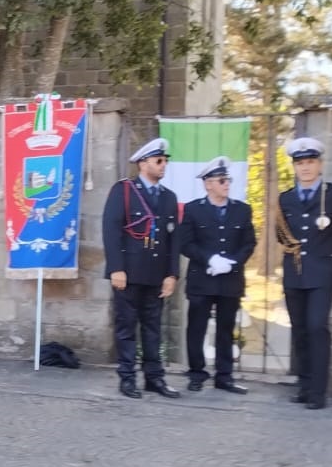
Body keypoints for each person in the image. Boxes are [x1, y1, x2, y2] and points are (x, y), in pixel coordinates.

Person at [101, 137, 181, 400]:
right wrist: (116, 268)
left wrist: (172, 274)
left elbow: (173, 239)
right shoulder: (124, 190)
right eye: (159, 161)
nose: (163, 165)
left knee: (153, 329)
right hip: (129, 273)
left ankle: (154, 378)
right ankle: (127, 378)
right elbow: (111, 231)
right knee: (126, 328)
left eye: (165, 161)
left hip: (155, 275)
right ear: (143, 163)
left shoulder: (169, 197)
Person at [175, 156, 255, 394]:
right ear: (208, 184)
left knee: (226, 329)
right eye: (221, 180)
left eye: (228, 180)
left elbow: (249, 243)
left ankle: (224, 375)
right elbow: (186, 244)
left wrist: (233, 263)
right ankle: (197, 373)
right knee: (196, 328)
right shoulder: (193, 209)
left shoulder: (242, 210)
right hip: (202, 279)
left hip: (230, 279)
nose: (226, 184)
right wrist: (209, 259)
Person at [275, 137, 332, 410]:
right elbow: (281, 234)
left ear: (320, 165)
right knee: (300, 330)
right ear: (294, 167)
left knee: (317, 327)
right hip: (295, 273)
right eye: (300, 163)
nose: (305, 167)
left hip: (323, 272)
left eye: (310, 162)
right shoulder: (286, 198)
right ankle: (304, 386)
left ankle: (318, 391)